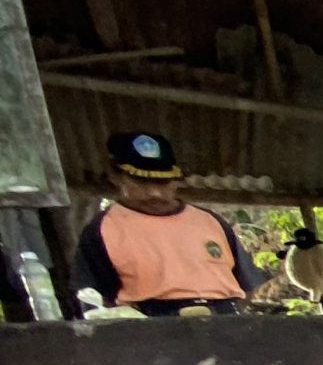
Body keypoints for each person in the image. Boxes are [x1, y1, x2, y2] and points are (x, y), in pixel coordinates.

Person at [70, 132, 263, 317]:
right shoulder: (102, 229)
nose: (155, 193)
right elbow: (92, 299)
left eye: (163, 182)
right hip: (152, 329)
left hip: (225, 323)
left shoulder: (210, 222)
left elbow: (248, 284)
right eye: (141, 181)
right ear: (115, 176)